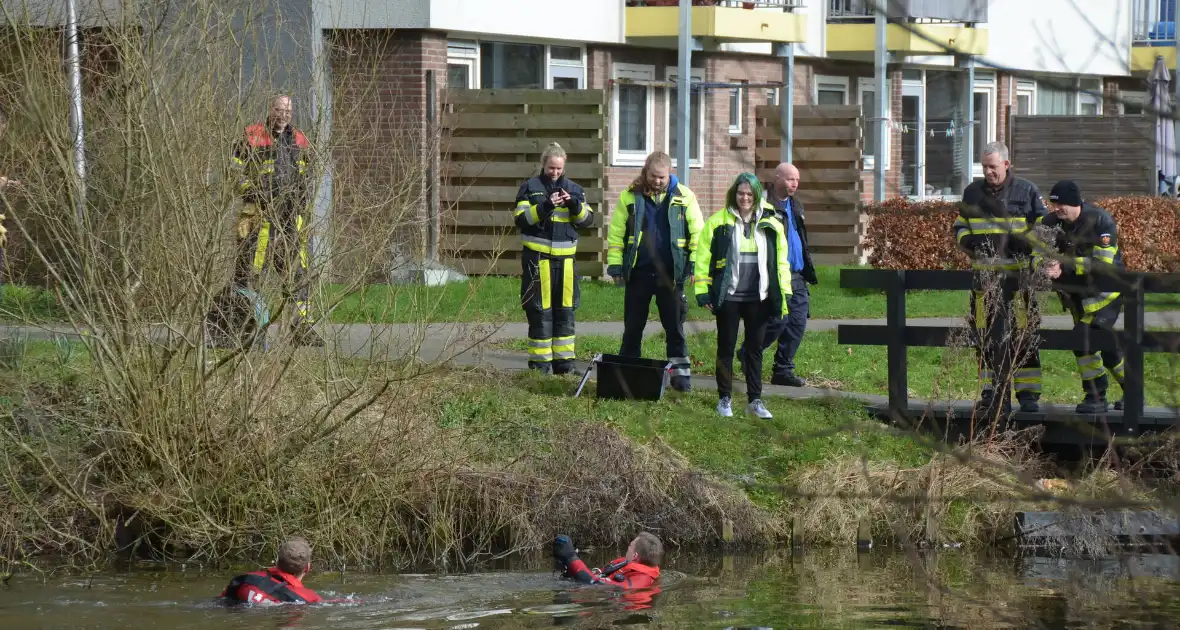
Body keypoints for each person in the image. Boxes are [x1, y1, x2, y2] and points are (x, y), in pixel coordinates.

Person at [205, 95, 322, 348]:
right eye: (279, 109)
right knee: (248, 274)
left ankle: (301, 328)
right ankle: (245, 328)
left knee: (298, 276)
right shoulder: (251, 136)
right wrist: (255, 191)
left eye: (288, 110)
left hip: (291, 221)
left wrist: (303, 205)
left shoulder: (300, 139)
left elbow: (308, 176)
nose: (284, 115)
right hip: (258, 219)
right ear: (270, 110)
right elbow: (233, 174)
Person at [954, 141, 1047, 414]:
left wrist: (1026, 243)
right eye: (984, 166)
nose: (988, 172)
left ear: (1006, 165)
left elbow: (1044, 227)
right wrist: (969, 242)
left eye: (992, 166)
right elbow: (960, 225)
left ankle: (1028, 394)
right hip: (984, 279)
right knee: (983, 336)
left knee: (1024, 333)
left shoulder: (1027, 191)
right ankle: (990, 391)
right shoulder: (972, 192)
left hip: (1019, 280)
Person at [606, 151, 704, 392]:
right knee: (633, 327)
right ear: (645, 171)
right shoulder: (630, 196)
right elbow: (617, 234)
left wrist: (693, 265)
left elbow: (698, 234)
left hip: (671, 275)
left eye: (662, 177)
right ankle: (628, 375)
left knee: (675, 328)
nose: (657, 181)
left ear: (670, 173)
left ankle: (681, 378)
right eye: (653, 176)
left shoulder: (685, 196)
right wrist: (615, 265)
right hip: (639, 273)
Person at [695, 173, 791, 419]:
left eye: (749, 194)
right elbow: (703, 259)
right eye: (740, 193)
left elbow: (781, 263)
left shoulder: (772, 224)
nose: (745, 198)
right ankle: (724, 399)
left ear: (757, 195)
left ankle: (754, 401)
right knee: (725, 348)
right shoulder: (718, 222)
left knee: (755, 349)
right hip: (729, 297)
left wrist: (784, 293)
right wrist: (703, 291)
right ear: (733, 194)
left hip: (758, 298)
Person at [1037, 180, 1127, 414]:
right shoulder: (1049, 222)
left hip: (1105, 294)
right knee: (1107, 349)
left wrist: (1064, 266)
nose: (1056, 209)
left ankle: (1096, 396)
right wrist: (1045, 265)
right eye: (1053, 204)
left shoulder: (1100, 220)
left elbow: (1103, 264)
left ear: (1074, 202)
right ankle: (1133, 391)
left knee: (1082, 341)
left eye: (1060, 204)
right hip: (1076, 297)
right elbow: (1035, 251)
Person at [514, 143, 593, 375]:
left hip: (566, 263)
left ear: (564, 166)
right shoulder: (530, 188)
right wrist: (546, 206)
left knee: (566, 312)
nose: (555, 172)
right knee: (540, 312)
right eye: (551, 168)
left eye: (559, 168)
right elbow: (521, 219)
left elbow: (587, 220)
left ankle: (564, 365)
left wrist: (573, 204)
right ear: (543, 164)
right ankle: (540, 366)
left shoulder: (575, 189)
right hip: (538, 261)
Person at [741, 162, 816, 387]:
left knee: (797, 323)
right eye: (790, 179)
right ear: (777, 178)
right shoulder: (763, 205)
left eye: (797, 180)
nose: (794, 184)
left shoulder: (796, 205)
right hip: (776, 274)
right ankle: (749, 352)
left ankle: (783, 370)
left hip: (798, 274)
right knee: (777, 321)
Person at [220, 537, 323, 605]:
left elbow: (221, 600)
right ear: (307, 567)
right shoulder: (308, 597)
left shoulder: (246, 579)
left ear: (277, 562)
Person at [552, 532, 662, 591]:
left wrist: (571, 557)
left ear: (635, 556)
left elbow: (596, 584)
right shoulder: (627, 564)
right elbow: (597, 578)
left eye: (630, 546)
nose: (627, 548)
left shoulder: (642, 579)